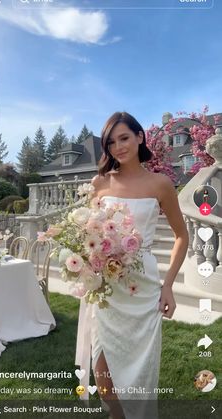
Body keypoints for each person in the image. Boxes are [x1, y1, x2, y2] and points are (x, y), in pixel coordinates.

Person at [75, 111, 189, 419]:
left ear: (140, 137)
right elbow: (89, 234)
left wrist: (168, 286)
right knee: (103, 372)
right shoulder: (99, 183)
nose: (118, 147)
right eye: (111, 142)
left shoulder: (161, 184)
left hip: (144, 291)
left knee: (139, 373)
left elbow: (182, 236)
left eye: (124, 138)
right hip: (107, 292)